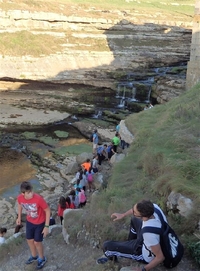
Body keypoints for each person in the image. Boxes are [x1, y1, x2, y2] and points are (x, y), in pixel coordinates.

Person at [97, 199, 166, 271]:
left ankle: (114, 261)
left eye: (135, 212)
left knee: (107, 246)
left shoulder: (149, 234)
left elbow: (160, 257)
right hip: (152, 239)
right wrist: (123, 215)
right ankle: (130, 243)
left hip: (144, 254)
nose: (132, 212)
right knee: (134, 219)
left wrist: (143, 269)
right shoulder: (154, 207)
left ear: (143, 217)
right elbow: (135, 212)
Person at [16, 181, 50, 269]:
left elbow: (47, 210)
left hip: (40, 222)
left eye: (31, 191)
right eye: (28, 192)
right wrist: (19, 217)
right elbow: (20, 205)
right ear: (23, 193)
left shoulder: (38, 199)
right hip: (30, 221)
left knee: (37, 242)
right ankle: (34, 256)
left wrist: (46, 226)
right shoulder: (20, 198)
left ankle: (42, 258)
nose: (31, 193)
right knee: (29, 240)